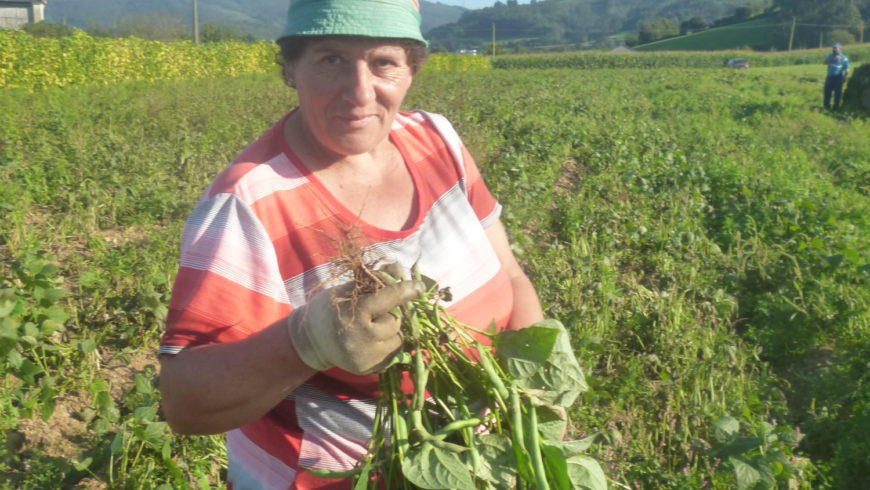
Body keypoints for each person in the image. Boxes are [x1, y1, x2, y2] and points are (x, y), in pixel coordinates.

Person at [156, 0, 544, 488]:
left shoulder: (437, 139)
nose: (359, 92)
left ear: (410, 70)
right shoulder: (249, 201)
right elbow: (185, 403)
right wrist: (306, 342)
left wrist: (535, 395)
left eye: (383, 62)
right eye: (331, 59)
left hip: (478, 460)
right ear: (292, 68)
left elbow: (509, 274)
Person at [823, 42, 850, 110]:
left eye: (837, 48)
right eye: (834, 48)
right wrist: (833, 60)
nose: (835, 49)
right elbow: (824, 63)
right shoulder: (830, 56)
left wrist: (845, 76)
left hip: (839, 77)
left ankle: (836, 107)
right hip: (830, 76)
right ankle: (826, 106)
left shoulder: (844, 58)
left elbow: (847, 68)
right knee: (827, 91)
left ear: (840, 49)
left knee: (838, 93)